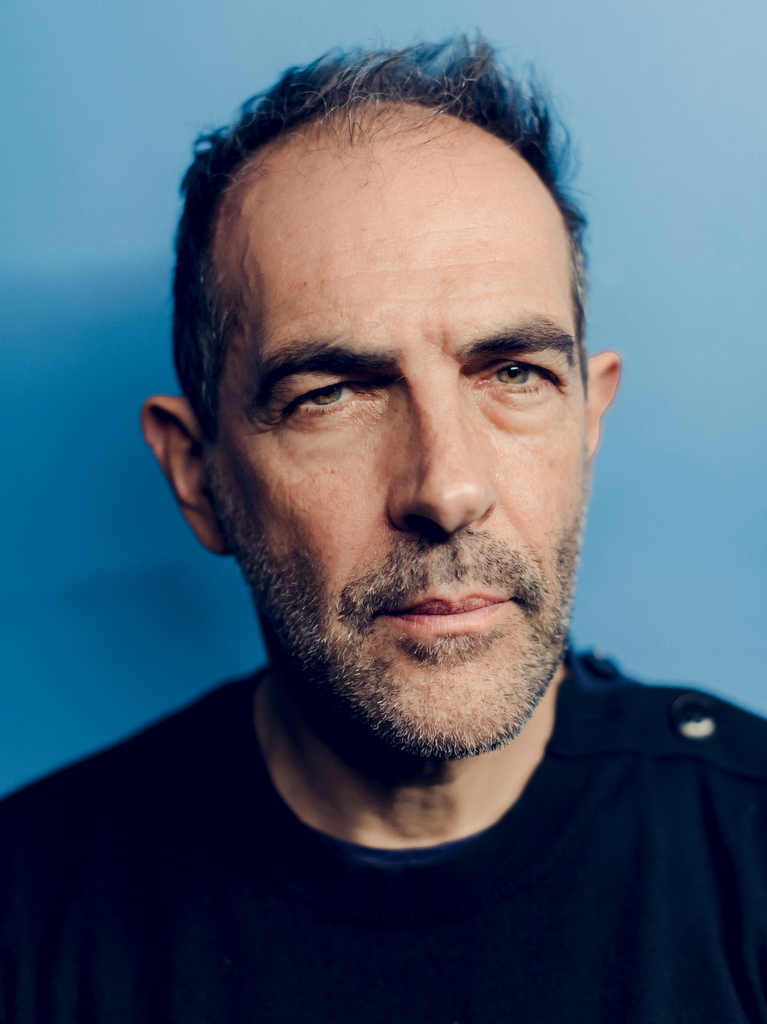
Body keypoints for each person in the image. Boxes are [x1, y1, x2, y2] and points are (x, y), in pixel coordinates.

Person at [1, 38, 766, 1024]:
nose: (446, 488)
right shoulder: (30, 917)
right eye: (331, 394)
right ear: (197, 474)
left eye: (514, 375)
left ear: (588, 421)